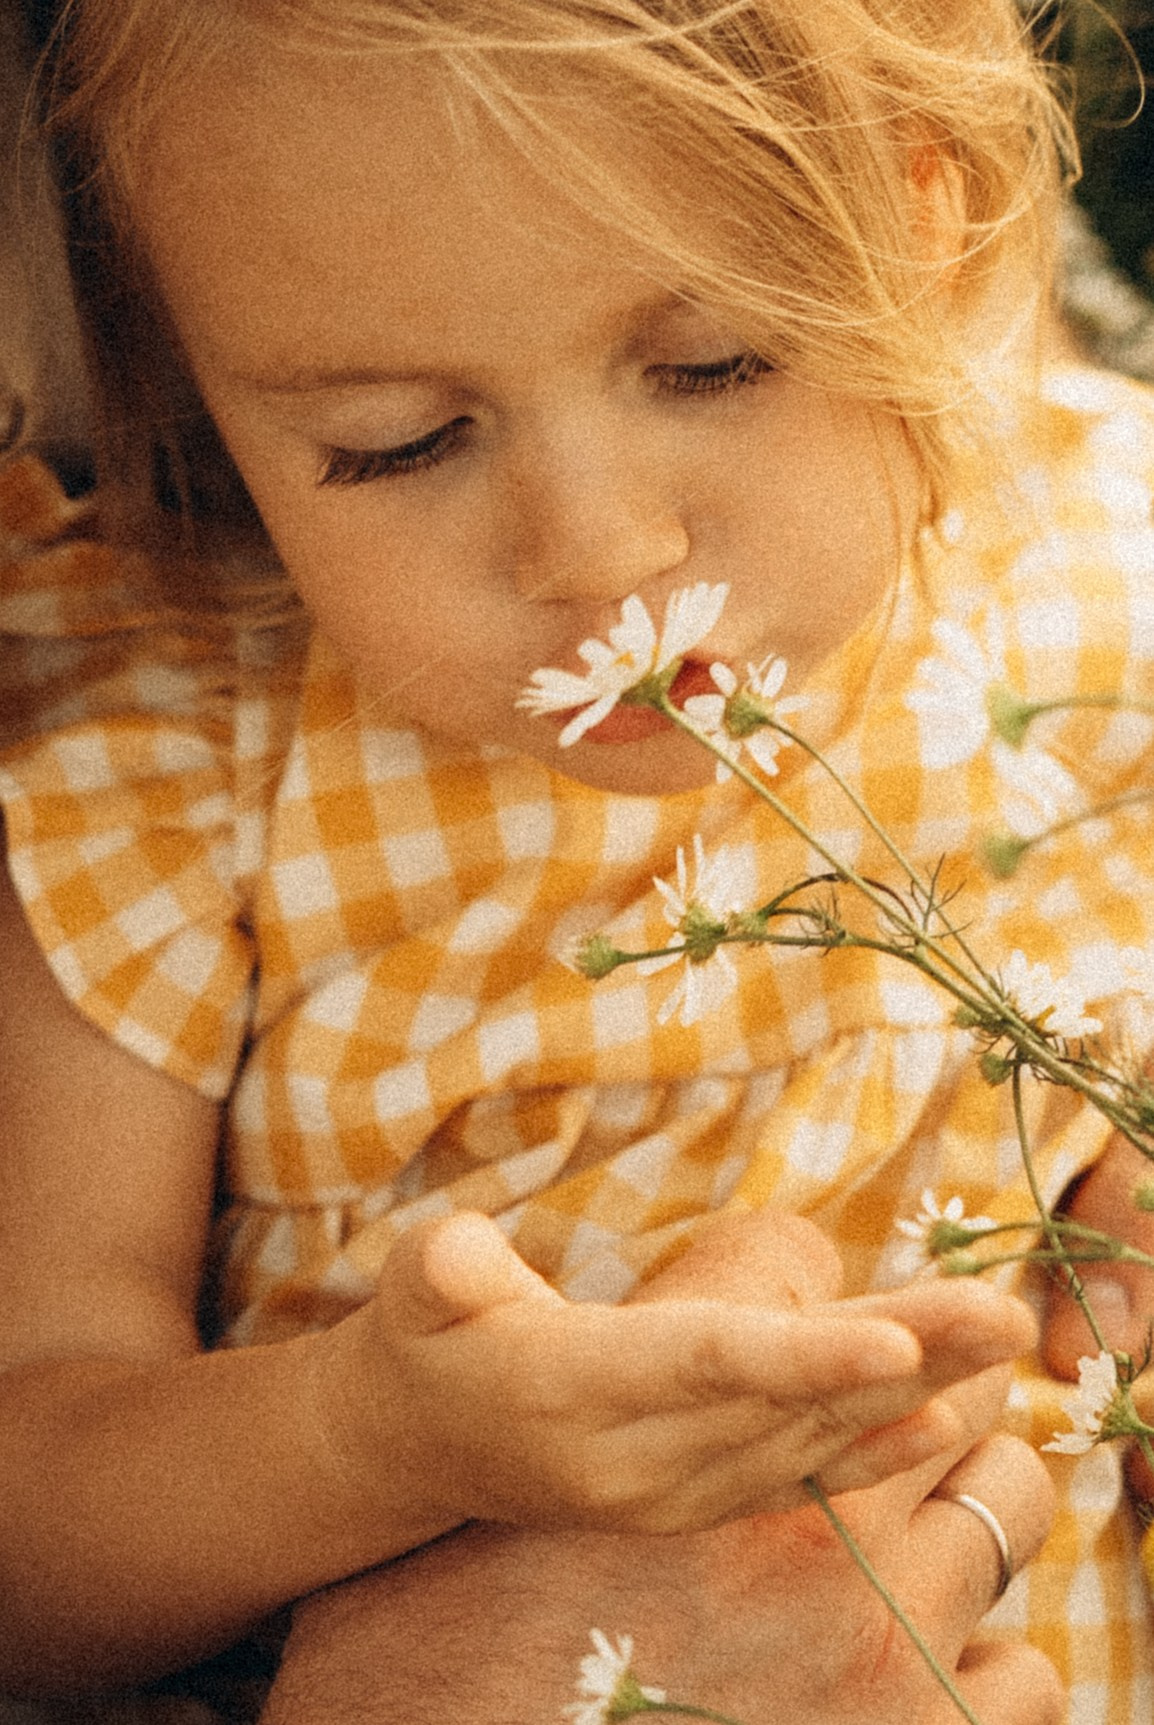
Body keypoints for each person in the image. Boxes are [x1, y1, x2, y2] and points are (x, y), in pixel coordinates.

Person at [0, 0, 1152, 1716]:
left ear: (928, 226)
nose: (600, 549)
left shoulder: (1096, 572)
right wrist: (361, 1433)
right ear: (188, 386)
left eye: (713, 360)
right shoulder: (162, 753)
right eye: (393, 439)